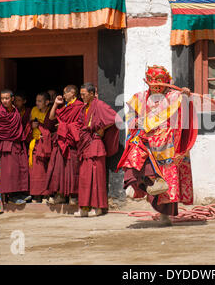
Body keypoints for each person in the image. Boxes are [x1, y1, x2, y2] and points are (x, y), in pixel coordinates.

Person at [117, 65, 198, 226]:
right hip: (145, 141)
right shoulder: (139, 98)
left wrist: (186, 96)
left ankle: (165, 215)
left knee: (167, 177)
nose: (155, 86)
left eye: (159, 83)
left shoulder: (174, 97)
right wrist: (138, 126)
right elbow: (132, 119)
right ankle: (145, 185)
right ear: (147, 82)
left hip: (167, 142)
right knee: (133, 163)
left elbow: (184, 109)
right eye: (152, 83)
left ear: (167, 83)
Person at [74, 83, 120, 217]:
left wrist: (103, 129)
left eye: (84, 94)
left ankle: (98, 207)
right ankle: (84, 208)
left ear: (92, 94)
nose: (81, 97)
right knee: (84, 178)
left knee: (96, 178)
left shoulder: (99, 105)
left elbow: (115, 118)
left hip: (96, 144)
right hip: (85, 145)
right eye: (81, 94)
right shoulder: (84, 108)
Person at [0, 89, 30, 204]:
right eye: (2, 99)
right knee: (10, 171)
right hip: (7, 144)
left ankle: (20, 192)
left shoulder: (15, 110)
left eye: (7, 98)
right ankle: (11, 196)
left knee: (22, 168)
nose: (4, 101)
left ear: (12, 99)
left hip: (18, 143)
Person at [46, 85, 85, 205]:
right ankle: (60, 195)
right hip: (61, 140)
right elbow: (52, 117)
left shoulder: (80, 106)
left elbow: (80, 124)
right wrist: (56, 104)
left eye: (65, 93)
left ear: (72, 93)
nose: (63, 96)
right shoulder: (65, 106)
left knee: (72, 169)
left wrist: (64, 127)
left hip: (71, 141)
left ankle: (73, 196)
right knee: (59, 168)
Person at [27, 92, 57, 203]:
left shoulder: (51, 113)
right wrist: (32, 126)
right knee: (36, 171)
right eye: (36, 101)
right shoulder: (33, 110)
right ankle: (36, 195)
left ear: (47, 102)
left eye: (40, 101)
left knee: (47, 170)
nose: (37, 103)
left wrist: (42, 129)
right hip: (35, 144)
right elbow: (28, 125)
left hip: (47, 144)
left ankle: (46, 194)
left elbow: (53, 128)